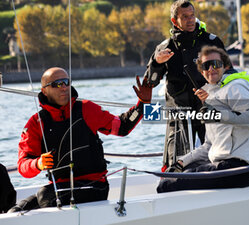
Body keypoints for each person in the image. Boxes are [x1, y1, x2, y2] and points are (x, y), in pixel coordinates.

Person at [9, 67, 152, 212]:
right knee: (14, 212)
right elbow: (23, 165)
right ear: (44, 90)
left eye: (66, 82)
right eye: (57, 84)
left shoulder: (87, 109)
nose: (64, 87)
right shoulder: (36, 123)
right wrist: (38, 163)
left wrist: (142, 103)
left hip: (94, 185)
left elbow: (122, 127)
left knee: (45, 196)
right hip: (59, 189)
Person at [157, 46, 249, 193]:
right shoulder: (211, 97)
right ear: (202, 72)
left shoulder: (236, 87)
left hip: (240, 169)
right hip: (222, 165)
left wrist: (219, 114)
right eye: (207, 65)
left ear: (225, 67)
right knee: (173, 174)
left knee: (167, 185)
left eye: (216, 64)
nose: (212, 68)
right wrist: (182, 162)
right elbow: (209, 145)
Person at [144, 0, 227, 170]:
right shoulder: (165, 47)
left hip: (208, 110)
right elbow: (150, 82)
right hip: (179, 114)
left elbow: (229, 74)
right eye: (185, 17)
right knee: (177, 163)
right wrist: (156, 62)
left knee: (217, 158)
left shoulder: (212, 41)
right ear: (175, 21)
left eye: (192, 15)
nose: (190, 20)